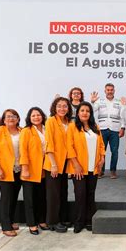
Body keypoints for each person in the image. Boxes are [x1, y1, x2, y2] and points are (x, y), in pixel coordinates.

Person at [66, 102, 105, 233]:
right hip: (79, 169)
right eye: (82, 110)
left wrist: (102, 159)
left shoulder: (95, 127)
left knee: (90, 194)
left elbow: (101, 146)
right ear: (78, 113)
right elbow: (69, 147)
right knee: (80, 194)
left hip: (93, 168)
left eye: (87, 111)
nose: (84, 113)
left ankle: (89, 220)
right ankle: (79, 221)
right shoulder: (72, 127)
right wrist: (76, 165)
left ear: (90, 113)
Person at [0, 109, 22, 237]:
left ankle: (11, 221)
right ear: (3, 119)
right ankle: (6, 226)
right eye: (8, 116)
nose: (11, 118)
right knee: (6, 198)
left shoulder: (22, 131)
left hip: (19, 169)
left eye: (14, 116)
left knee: (13, 197)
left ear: (18, 119)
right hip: (3, 169)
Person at [44, 97, 72, 233]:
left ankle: (62, 218)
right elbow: (49, 143)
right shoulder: (50, 121)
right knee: (53, 194)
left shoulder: (69, 122)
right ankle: (52, 221)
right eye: (59, 106)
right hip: (53, 163)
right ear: (54, 107)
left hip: (65, 163)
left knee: (63, 192)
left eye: (65, 106)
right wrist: (54, 164)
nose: (62, 109)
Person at [19, 107, 49, 235]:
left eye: (38, 115)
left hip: (44, 167)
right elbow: (23, 150)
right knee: (30, 198)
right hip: (30, 168)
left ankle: (41, 220)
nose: (36, 117)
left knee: (42, 197)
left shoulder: (47, 129)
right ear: (29, 118)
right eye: (33, 116)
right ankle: (32, 224)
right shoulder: (26, 131)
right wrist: (24, 168)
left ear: (42, 116)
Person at [90, 83, 125, 179]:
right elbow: (91, 111)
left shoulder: (119, 102)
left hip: (115, 130)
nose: (110, 91)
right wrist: (92, 102)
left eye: (111, 90)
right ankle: (100, 171)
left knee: (115, 151)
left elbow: (123, 116)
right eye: (108, 90)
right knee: (101, 152)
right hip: (102, 129)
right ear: (105, 91)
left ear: (114, 91)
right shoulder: (99, 101)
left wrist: (123, 128)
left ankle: (113, 171)